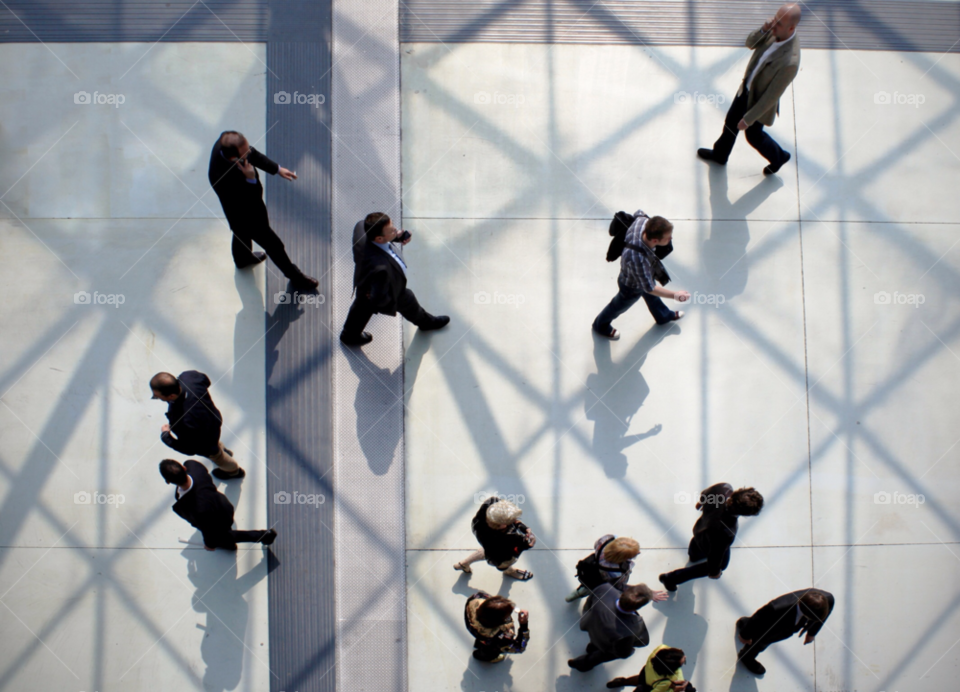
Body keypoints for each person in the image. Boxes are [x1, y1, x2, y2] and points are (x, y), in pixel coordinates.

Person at [697, 4, 802, 175]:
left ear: (791, 28)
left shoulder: (790, 62)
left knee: (753, 136)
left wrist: (748, 119)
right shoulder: (774, 31)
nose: (774, 24)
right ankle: (720, 155)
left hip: (758, 102)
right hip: (746, 89)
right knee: (730, 123)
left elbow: (771, 96)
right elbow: (750, 43)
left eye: (779, 23)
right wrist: (763, 29)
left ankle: (779, 157)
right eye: (775, 18)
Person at [207, 130, 319, 291]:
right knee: (275, 246)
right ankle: (296, 277)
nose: (249, 152)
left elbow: (252, 154)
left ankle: (242, 260)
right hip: (246, 215)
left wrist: (277, 169)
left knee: (240, 233)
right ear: (235, 158)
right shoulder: (223, 178)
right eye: (245, 152)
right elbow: (252, 201)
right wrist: (250, 178)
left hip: (237, 215)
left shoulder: (226, 144)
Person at [340, 212, 449, 346]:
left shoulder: (362, 227)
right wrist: (392, 301)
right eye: (392, 231)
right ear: (379, 238)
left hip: (364, 283)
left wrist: (396, 237)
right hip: (392, 291)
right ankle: (426, 323)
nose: (396, 230)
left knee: (361, 306)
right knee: (408, 301)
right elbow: (379, 299)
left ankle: (348, 336)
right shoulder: (381, 269)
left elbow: (370, 235)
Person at [593, 212, 690, 340]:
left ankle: (663, 316)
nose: (671, 238)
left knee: (653, 298)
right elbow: (649, 288)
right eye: (667, 238)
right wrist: (676, 295)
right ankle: (600, 325)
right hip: (631, 286)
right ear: (655, 240)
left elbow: (639, 212)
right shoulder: (637, 258)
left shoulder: (642, 221)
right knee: (617, 306)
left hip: (642, 275)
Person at [659, 483, 764, 590]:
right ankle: (671, 578)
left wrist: (701, 502)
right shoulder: (726, 532)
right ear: (746, 514)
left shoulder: (722, 489)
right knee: (722, 564)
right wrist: (714, 572)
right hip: (710, 541)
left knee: (698, 543)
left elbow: (706, 493)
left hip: (700, 529)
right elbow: (715, 555)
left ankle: (693, 556)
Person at [159, 459, 276, 550]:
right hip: (224, 504)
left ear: (168, 482)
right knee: (223, 532)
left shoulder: (193, 509)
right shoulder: (193, 466)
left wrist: (210, 544)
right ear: (184, 468)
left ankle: (263, 536)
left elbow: (207, 530)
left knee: (223, 537)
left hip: (217, 521)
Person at [151, 371, 244, 480]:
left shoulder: (183, 421)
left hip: (205, 442)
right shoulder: (189, 377)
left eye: (157, 396)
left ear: (171, 396)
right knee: (215, 441)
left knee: (217, 457)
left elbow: (190, 449)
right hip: (213, 420)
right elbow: (205, 380)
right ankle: (222, 450)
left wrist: (166, 437)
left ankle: (233, 471)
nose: (154, 397)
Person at [568, 583, 667, 672]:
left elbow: (589, 603)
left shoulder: (604, 588)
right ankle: (581, 663)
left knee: (597, 639)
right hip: (606, 643)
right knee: (599, 656)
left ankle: (592, 646)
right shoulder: (629, 630)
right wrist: (631, 651)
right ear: (637, 608)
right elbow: (623, 653)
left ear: (623, 593)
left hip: (591, 626)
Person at [736, 588, 835, 675]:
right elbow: (760, 616)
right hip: (775, 626)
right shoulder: (777, 608)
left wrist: (811, 633)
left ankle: (745, 624)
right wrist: (745, 635)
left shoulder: (828, 599)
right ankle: (746, 656)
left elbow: (822, 618)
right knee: (762, 640)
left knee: (757, 624)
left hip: (786, 622)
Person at [453, 498, 535, 581]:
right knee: (503, 562)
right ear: (499, 525)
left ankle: (464, 564)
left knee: (487, 549)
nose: (513, 521)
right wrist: (526, 544)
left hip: (489, 544)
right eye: (508, 521)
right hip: (499, 555)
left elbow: (498, 505)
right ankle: (509, 571)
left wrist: (521, 526)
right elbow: (514, 551)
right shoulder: (507, 538)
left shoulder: (488, 509)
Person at [566, 535, 640, 602]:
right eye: (633, 555)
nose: (639, 552)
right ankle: (579, 594)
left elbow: (596, 544)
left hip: (589, 572)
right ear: (622, 558)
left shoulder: (605, 540)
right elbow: (617, 585)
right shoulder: (617, 572)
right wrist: (635, 591)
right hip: (599, 582)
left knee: (586, 586)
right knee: (592, 589)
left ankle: (577, 594)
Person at [464, 592, 529, 663]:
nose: (512, 608)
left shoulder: (475, 598)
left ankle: (480, 643)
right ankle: (485, 657)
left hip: (477, 630)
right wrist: (524, 625)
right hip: (492, 642)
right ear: (500, 622)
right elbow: (519, 647)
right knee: (490, 651)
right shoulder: (501, 638)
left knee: (483, 640)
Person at [606, 645, 696, 691]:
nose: (685, 657)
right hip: (649, 686)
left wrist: (676, 651)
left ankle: (621, 681)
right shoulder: (672, 680)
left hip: (646, 673)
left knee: (638, 679)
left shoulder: (660, 649)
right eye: (682, 663)